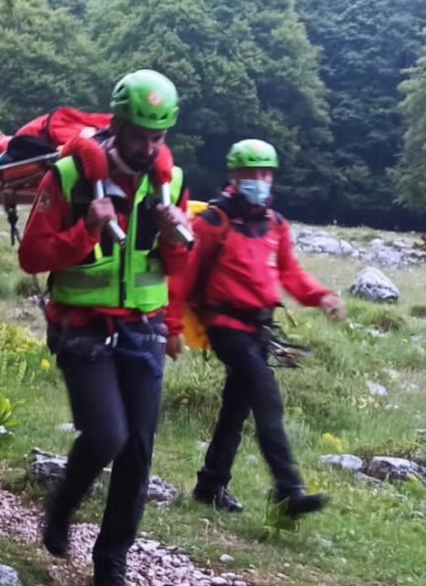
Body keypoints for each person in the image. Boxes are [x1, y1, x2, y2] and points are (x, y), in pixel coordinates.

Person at [18, 70, 190, 586]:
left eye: (157, 136)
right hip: (81, 327)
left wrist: (173, 240)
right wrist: (87, 229)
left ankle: (111, 558)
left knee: (138, 448)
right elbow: (32, 257)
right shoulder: (69, 177)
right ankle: (62, 505)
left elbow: (175, 267)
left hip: (144, 328)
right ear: (116, 124)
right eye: (139, 133)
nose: (147, 146)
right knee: (107, 435)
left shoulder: (173, 183)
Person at [187, 139, 346, 517]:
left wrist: (321, 296)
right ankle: (289, 489)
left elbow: (290, 274)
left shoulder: (276, 224)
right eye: (251, 173)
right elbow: (185, 275)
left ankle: (210, 485)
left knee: (236, 408)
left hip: (260, 330)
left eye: (265, 173)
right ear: (234, 175)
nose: (259, 180)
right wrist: (171, 326)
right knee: (267, 399)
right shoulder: (214, 221)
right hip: (225, 325)